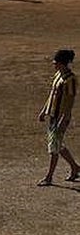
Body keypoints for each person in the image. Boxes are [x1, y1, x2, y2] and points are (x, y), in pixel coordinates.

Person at [38, 49, 80, 186]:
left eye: (56, 62)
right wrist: (44, 111)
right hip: (53, 115)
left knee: (54, 148)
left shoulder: (70, 79)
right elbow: (52, 95)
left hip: (60, 117)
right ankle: (75, 167)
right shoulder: (58, 75)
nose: (54, 64)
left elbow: (69, 102)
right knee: (57, 144)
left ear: (62, 63)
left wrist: (63, 119)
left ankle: (49, 177)